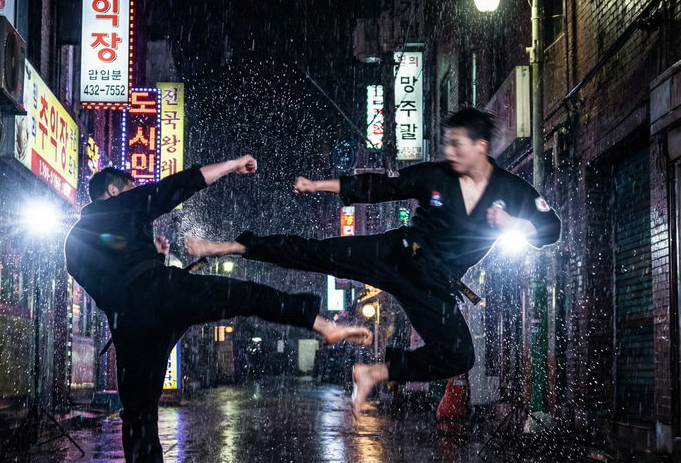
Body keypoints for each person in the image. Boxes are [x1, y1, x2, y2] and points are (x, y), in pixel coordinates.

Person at [64, 156, 371, 463]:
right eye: (128, 188)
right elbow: (175, 187)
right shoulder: (119, 206)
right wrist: (231, 166)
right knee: (245, 296)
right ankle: (323, 326)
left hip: (130, 329)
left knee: (138, 415)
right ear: (112, 191)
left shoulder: (73, 244)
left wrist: (148, 255)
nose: (134, 192)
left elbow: (110, 276)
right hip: (163, 295)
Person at [186, 107, 561, 419]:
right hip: (398, 255)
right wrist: (319, 186)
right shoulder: (435, 175)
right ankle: (231, 247)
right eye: (448, 144)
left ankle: (374, 373)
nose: (450, 151)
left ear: (480, 146)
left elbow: (551, 229)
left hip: (435, 285)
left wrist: (515, 223)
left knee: (460, 354)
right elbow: (381, 187)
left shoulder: (512, 191)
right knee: (318, 254)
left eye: (457, 144)